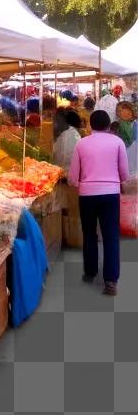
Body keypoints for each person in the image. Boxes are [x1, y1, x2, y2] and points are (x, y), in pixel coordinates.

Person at [68, 109, 128, 296]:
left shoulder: (81, 144)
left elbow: (73, 175)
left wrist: (77, 183)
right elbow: (124, 173)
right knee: (111, 236)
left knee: (89, 233)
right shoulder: (117, 142)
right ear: (109, 125)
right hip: (111, 194)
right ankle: (111, 281)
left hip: (87, 194)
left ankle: (90, 271)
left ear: (90, 125)